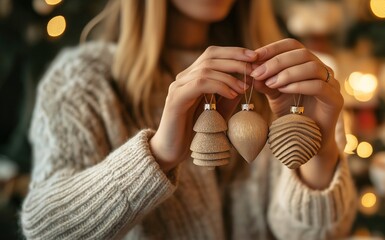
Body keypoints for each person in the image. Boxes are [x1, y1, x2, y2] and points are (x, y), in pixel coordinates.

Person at [20, 0, 356, 239]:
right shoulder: (83, 81)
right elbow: (45, 228)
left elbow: (311, 235)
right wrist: (158, 153)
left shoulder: (279, 81)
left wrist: (320, 151)